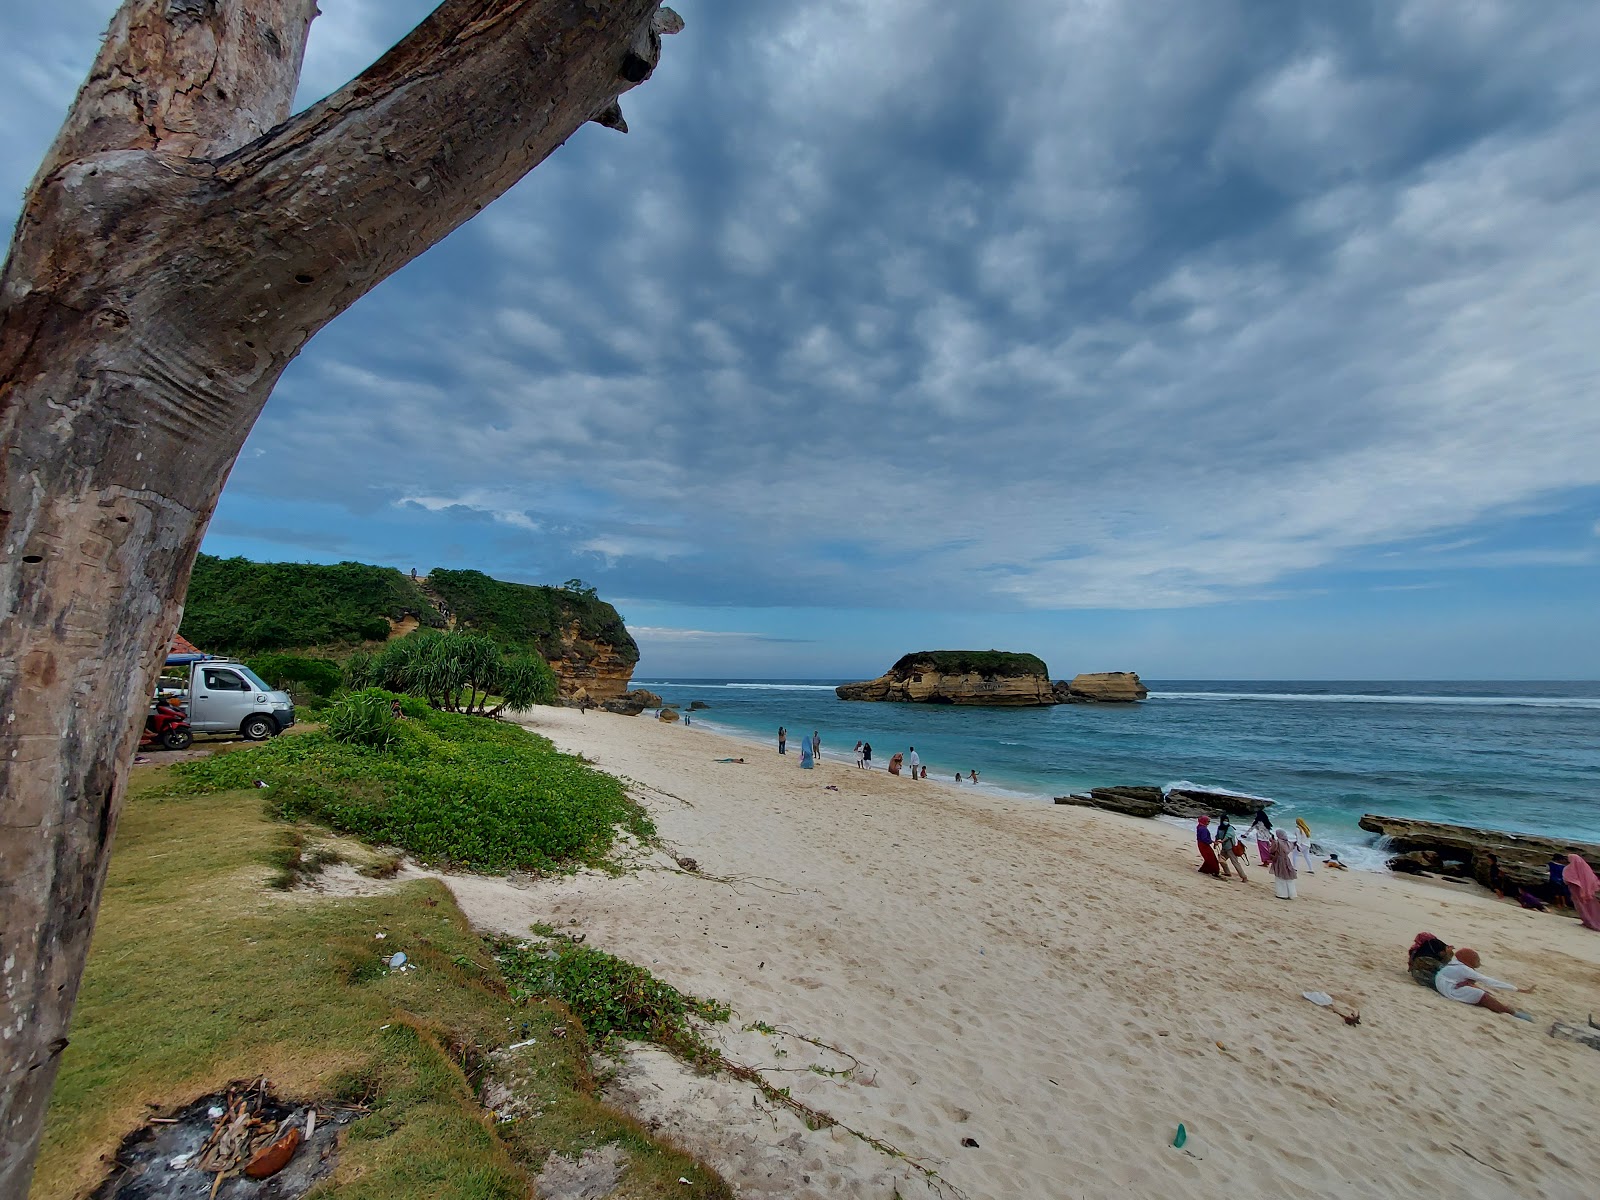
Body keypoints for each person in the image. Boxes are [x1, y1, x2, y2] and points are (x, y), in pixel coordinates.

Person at [1434, 948, 1533, 1019]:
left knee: (1473, 986)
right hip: (1449, 990)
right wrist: (1517, 989)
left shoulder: (1455, 964)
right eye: (1476, 960)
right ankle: (1511, 1013)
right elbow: (1489, 981)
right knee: (1482, 995)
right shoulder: (1464, 969)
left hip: (1443, 984)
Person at [1566, 854, 1600, 931]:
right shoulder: (1582, 869)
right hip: (1583, 892)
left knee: (1583, 907)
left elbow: (1568, 880)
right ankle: (1588, 921)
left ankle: (1589, 922)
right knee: (1587, 907)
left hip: (1578, 892)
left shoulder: (1570, 869)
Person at [1217, 816, 1248, 882]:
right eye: (1224, 820)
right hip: (1224, 848)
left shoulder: (1230, 828)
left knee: (1235, 862)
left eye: (1227, 820)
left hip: (1230, 848)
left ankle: (1244, 877)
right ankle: (1227, 872)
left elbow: (1228, 835)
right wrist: (1215, 842)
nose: (1226, 821)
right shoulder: (1220, 828)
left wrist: (1222, 841)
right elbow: (1217, 836)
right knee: (1221, 860)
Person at [1269, 828, 1298, 899]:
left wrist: (1272, 841)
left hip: (1279, 860)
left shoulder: (1277, 842)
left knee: (1280, 877)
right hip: (1287, 860)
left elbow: (1271, 850)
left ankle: (1282, 894)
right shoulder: (1288, 842)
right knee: (1288, 877)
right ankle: (1292, 894)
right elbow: (1292, 847)